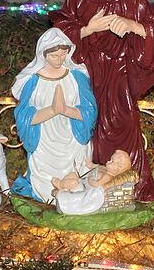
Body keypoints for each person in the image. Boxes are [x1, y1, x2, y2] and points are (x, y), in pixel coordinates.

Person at [49, 0, 154, 203]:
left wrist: (131, 24)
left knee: (121, 124)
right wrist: (89, 29)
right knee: (86, 124)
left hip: (119, 73)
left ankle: (131, 186)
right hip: (85, 70)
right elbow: (60, 31)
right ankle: (89, 184)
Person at [11, 27, 98, 203]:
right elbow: (23, 116)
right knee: (46, 186)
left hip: (72, 136)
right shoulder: (33, 80)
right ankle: (47, 196)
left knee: (76, 179)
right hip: (44, 140)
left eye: (63, 54)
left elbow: (90, 110)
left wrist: (66, 110)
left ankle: (77, 200)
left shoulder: (76, 76)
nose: (59, 59)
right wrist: (52, 110)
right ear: (43, 54)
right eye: (54, 56)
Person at [51, 150, 138, 215]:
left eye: (112, 161)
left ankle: (61, 187)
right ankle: (62, 184)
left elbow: (96, 185)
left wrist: (91, 179)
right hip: (83, 183)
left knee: (74, 182)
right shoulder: (105, 169)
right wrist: (90, 165)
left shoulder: (108, 177)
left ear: (118, 168)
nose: (108, 161)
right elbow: (96, 166)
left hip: (84, 188)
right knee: (73, 175)